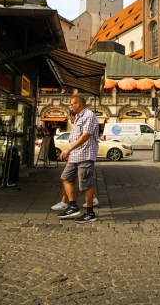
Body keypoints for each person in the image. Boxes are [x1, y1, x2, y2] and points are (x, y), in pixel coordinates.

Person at [56, 94, 100, 224]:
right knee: (66, 177)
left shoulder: (89, 116)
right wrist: (71, 152)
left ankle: (90, 213)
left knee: (85, 183)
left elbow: (86, 135)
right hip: (75, 155)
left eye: (72, 104)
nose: (71, 106)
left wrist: (69, 149)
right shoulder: (79, 117)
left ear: (79, 103)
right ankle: (73, 206)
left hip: (85, 155)